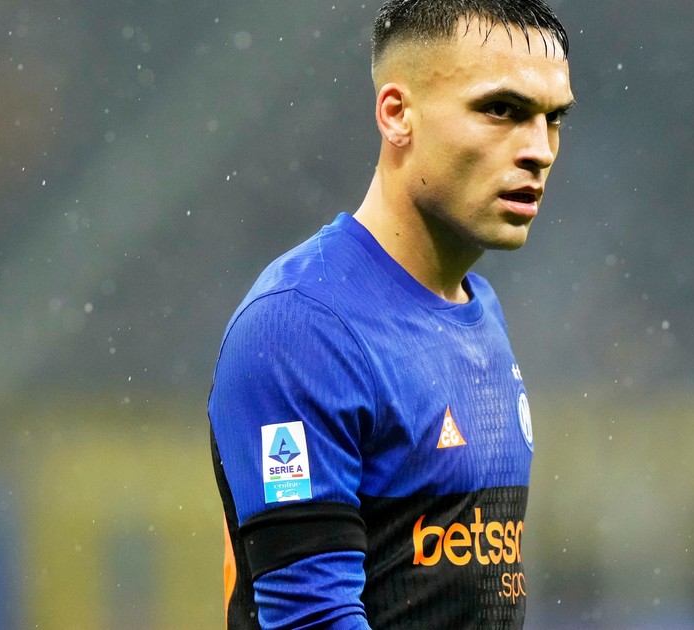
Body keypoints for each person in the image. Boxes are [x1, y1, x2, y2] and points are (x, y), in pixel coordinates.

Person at [207, 1, 574, 628]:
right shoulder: (301, 327)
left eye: (552, 118)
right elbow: (311, 620)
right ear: (397, 114)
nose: (539, 149)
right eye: (501, 110)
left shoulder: (480, 311)